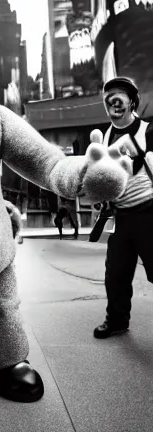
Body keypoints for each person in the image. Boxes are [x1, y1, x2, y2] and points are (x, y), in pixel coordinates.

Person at [94, 76, 153, 339]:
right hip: (121, 216)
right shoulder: (104, 135)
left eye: (119, 95)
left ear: (132, 102)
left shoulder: (148, 131)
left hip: (149, 212)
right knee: (115, 273)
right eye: (109, 96)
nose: (113, 100)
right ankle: (117, 320)